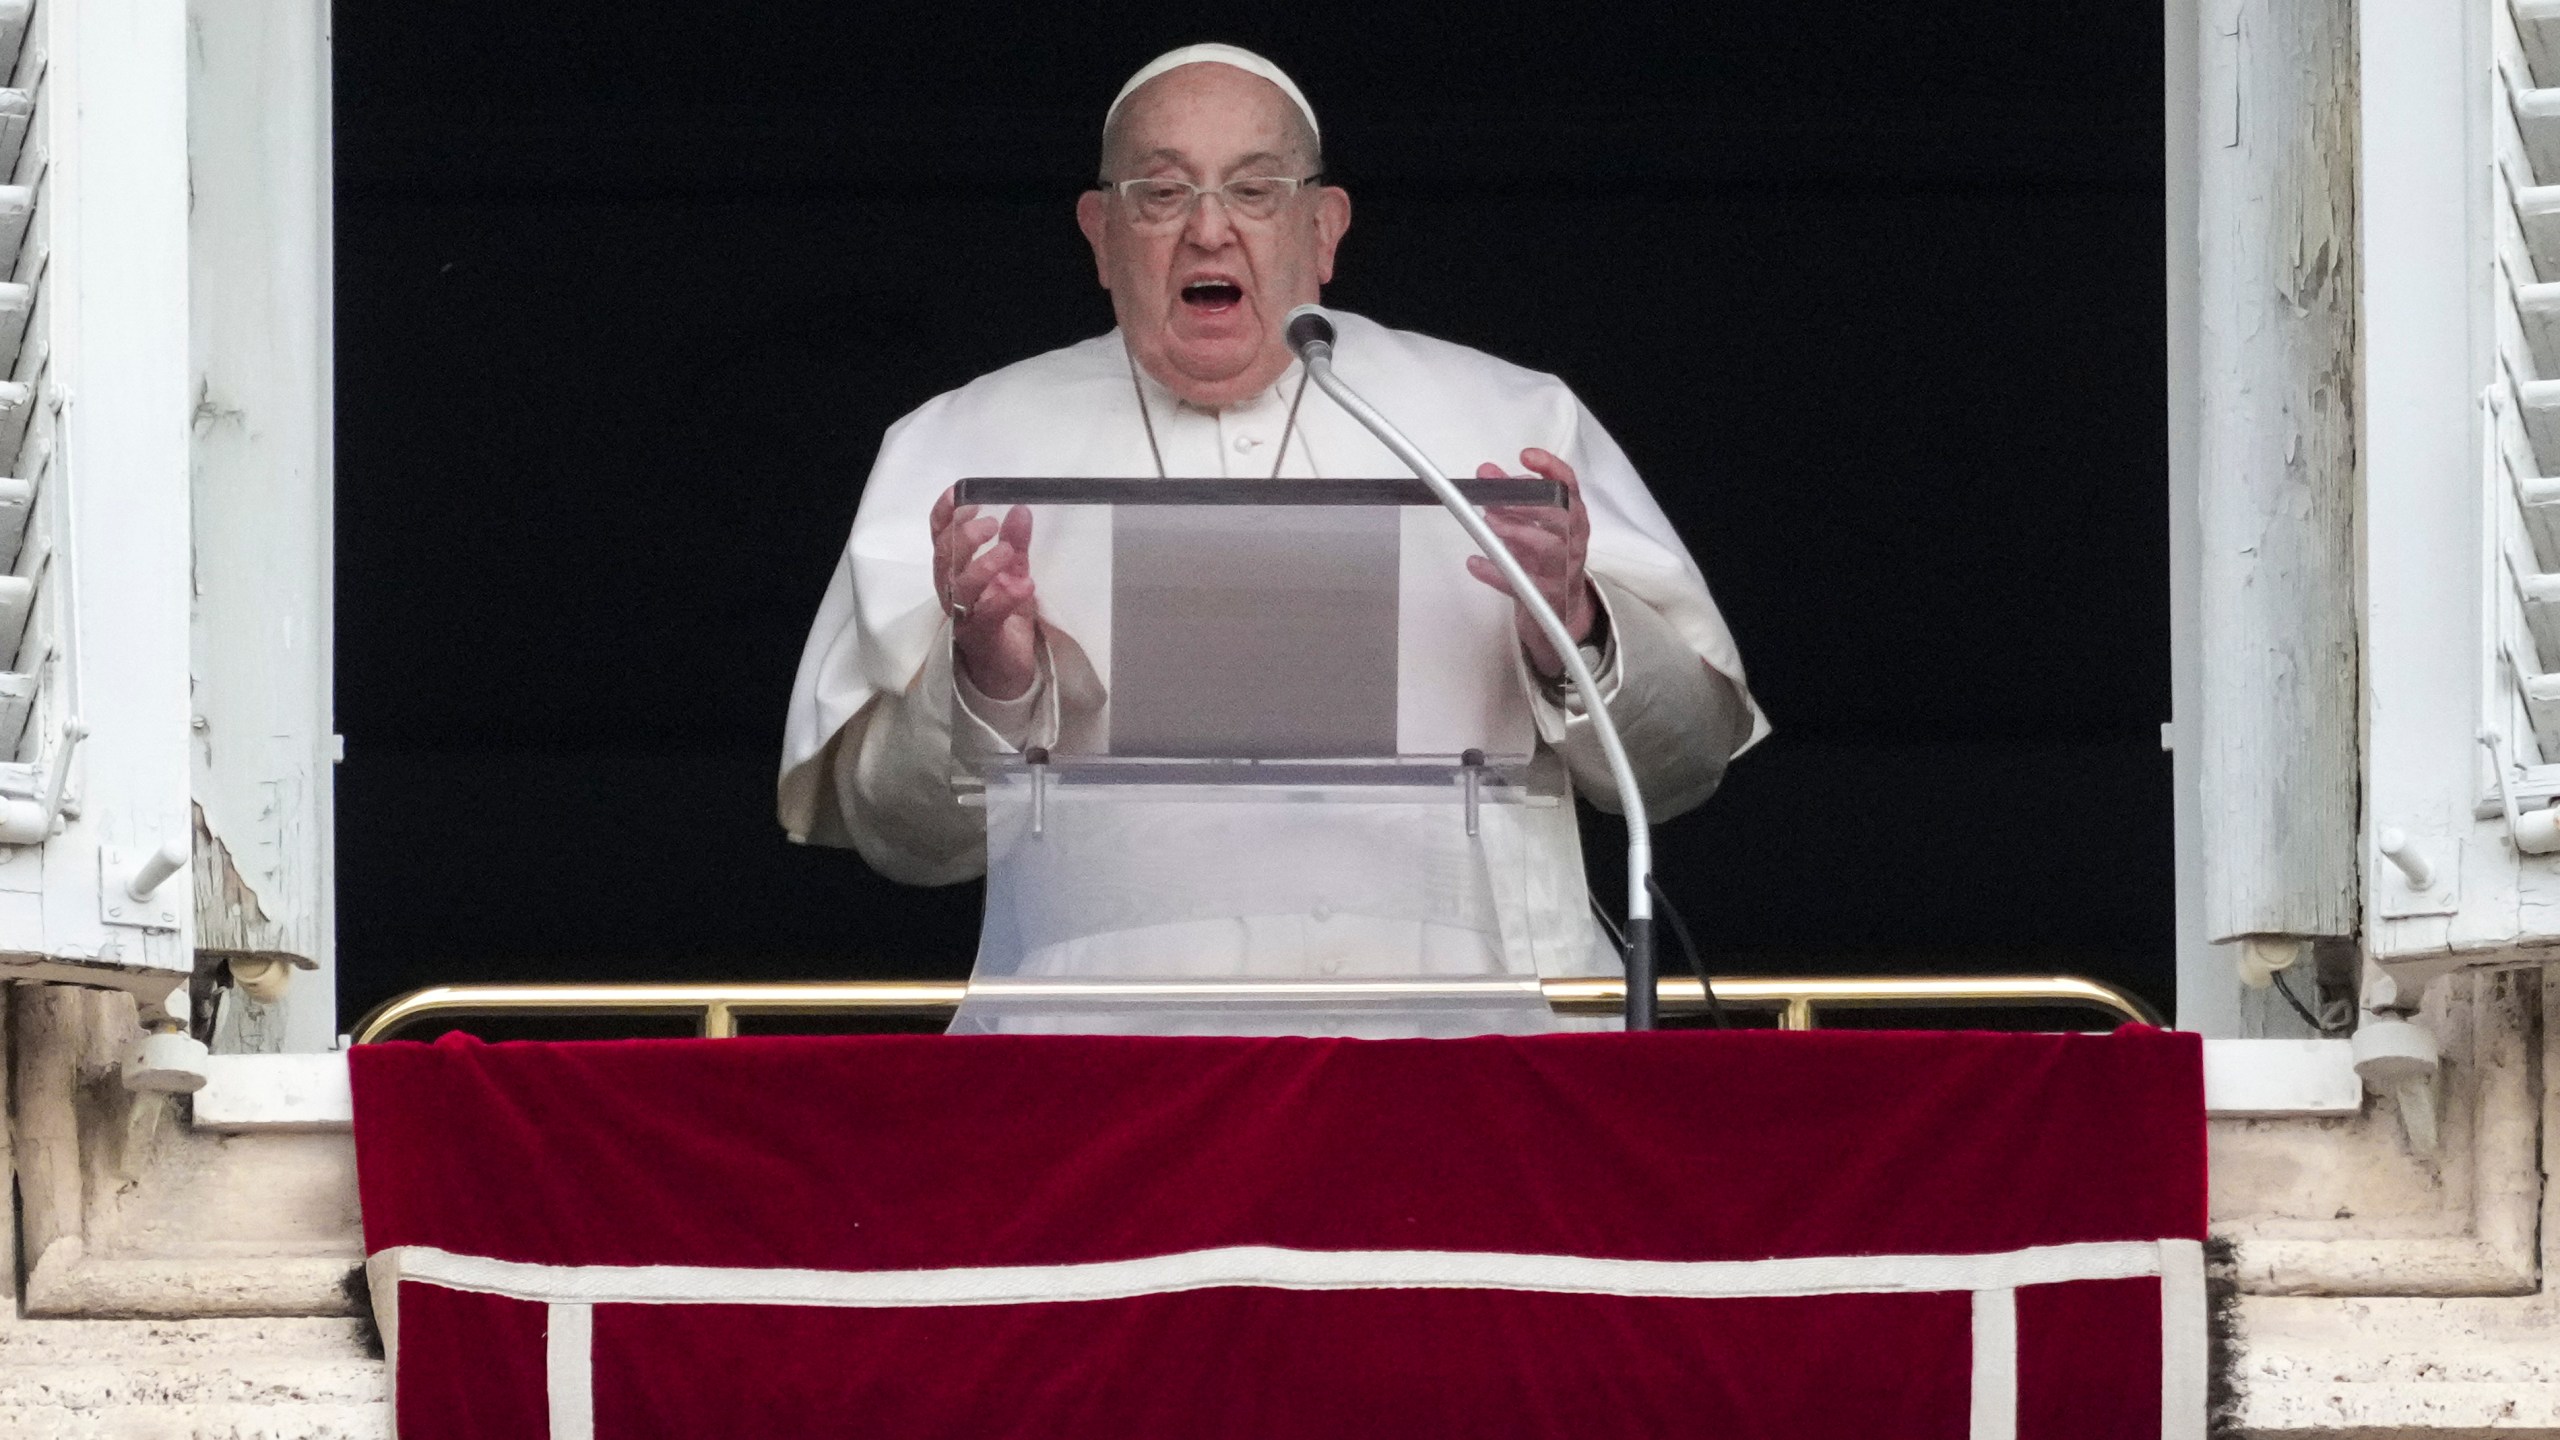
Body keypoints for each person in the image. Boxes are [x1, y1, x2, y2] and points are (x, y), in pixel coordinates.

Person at [780, 44, 1764, 1025]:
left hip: (1470, 1050)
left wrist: (1576, 622)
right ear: (1100, 234)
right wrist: (986, 680)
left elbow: (1680, 772)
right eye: (1162, 194)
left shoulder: (1506, 421)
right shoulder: (963, 448)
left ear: (1323, 228)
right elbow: (902, 844)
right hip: (1103, 1066)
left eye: (1254, 191)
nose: (1209, 231)